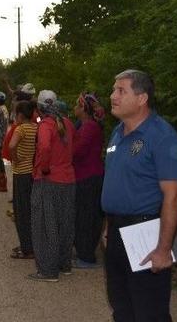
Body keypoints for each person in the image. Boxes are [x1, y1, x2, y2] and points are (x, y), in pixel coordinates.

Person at [102, 70, 177, 321]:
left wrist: (163, 248)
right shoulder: (118, 132)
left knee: (149, 311)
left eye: (121, 91)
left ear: (142, 98)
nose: (112, 96)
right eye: (113, 89)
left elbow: (172, 196)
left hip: (145, 233)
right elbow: (117, 183)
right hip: (116, 231)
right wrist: (109, 224)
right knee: (122, 307)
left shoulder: (161, 137)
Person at [29, 89, 76, 282]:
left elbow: (45, 147)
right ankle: (64, 264)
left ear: (39, 108)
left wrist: (45, 167)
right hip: (68, 180)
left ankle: (48, 270)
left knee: (45, 226)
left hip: (48, 180)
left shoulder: (46, 126)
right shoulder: (68, 123)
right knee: (65, 223)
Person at [72, 93, 106, 269]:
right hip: (86, 175)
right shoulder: (85, 125)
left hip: (88, 177)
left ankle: (87, 256)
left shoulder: (88, 128)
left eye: (77, 105)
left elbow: (77, 151)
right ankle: (84, 252)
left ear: (84, 109)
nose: (74, 108)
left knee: (87, 216)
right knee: (84, 215)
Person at [8, 100, 38, 260]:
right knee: (32, 211)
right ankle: (33, 244)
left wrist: (16, 159)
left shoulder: (20, 129)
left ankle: (27, 248)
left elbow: (12, 146)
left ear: (20, 115)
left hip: (21, 173)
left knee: (21, 212)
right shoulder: (36, 127)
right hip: (33, 173)